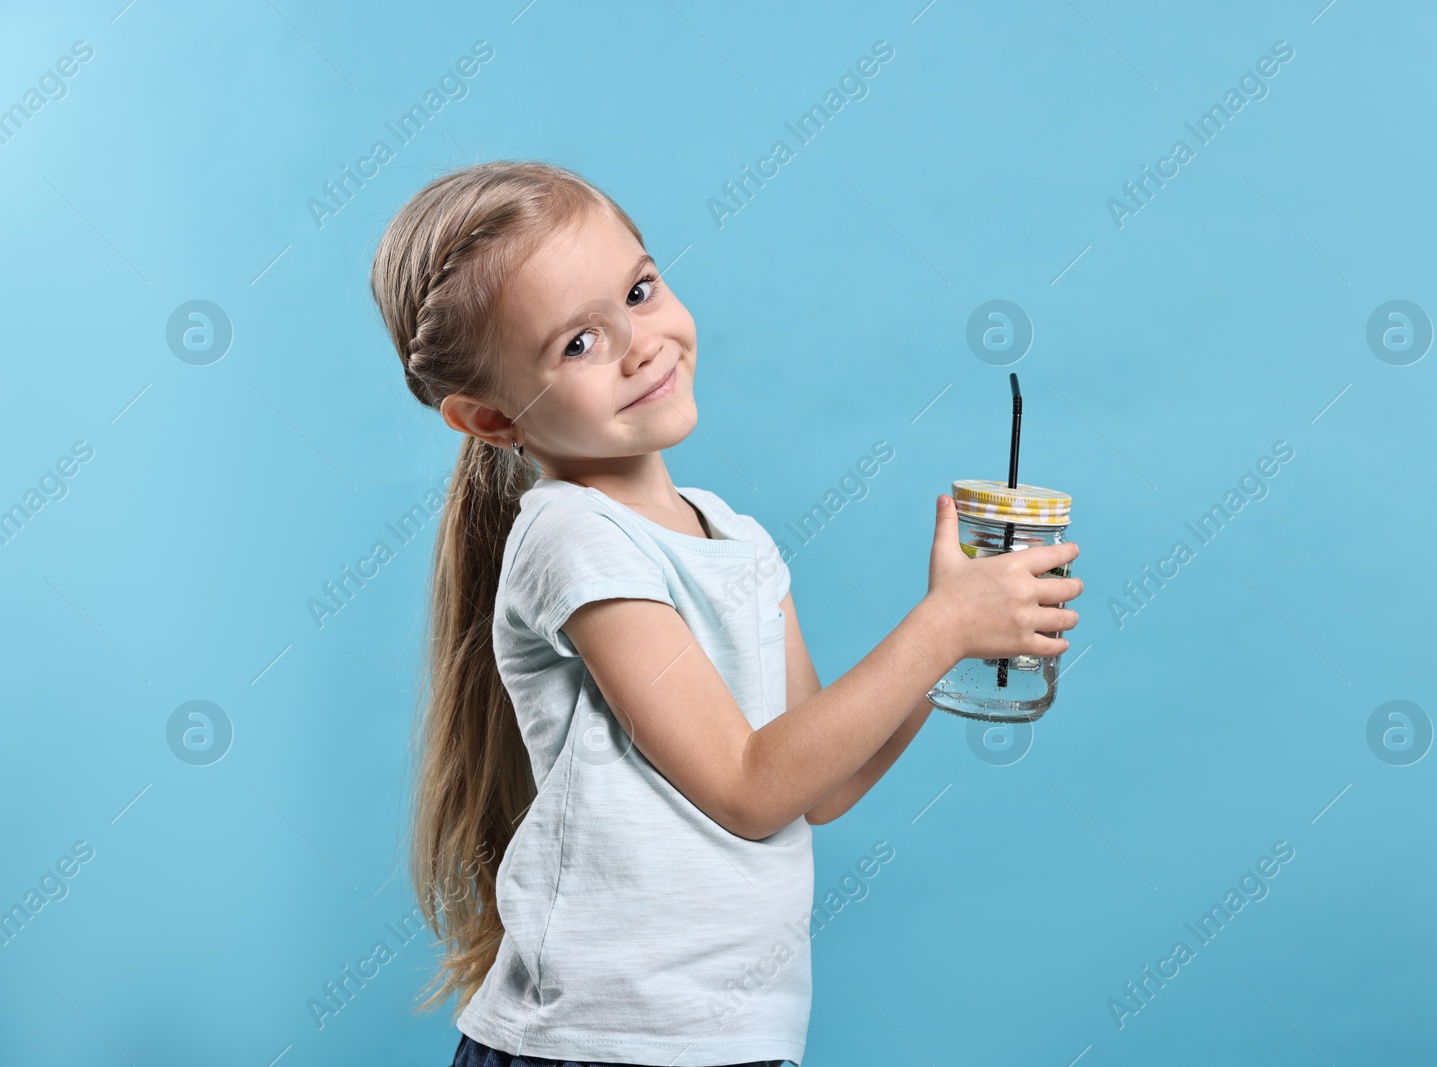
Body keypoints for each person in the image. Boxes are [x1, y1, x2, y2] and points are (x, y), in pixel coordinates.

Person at [367, 160, 1082, 1067]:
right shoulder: (573, 534)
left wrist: (955, 635)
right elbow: (748, 787)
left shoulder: (736, 538)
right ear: (493, 419)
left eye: (639, 288)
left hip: (722, 1042)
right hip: (598, 1047)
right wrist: (940, 626)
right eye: (576, 344)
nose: (641, 343)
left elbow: (818, 785)